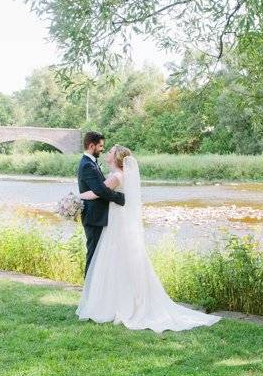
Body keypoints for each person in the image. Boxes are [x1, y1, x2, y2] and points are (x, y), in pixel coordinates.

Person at [76, 144, 221, 332]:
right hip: (120, 220)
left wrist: (76, 196)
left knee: (113, 259)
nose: (108, 152)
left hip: (117, 222)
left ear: (117, 158)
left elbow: (98, 193)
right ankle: (123, 300)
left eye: (111, 151)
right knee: (121, 259)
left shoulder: (116, 176)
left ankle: (114, 304)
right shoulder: (123, 175)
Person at [77, 131, 125, 275]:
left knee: (98, 254)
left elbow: (99, 189)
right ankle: (89, 289)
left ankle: (94, 289)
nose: (103, 149)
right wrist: (120, 198)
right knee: (93, 253)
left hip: (98, 217)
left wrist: (82, 195)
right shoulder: (87, 165)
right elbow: (100, 190)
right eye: (101, 146)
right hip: (94, 218)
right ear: (92, 146)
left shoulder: (91, 163)